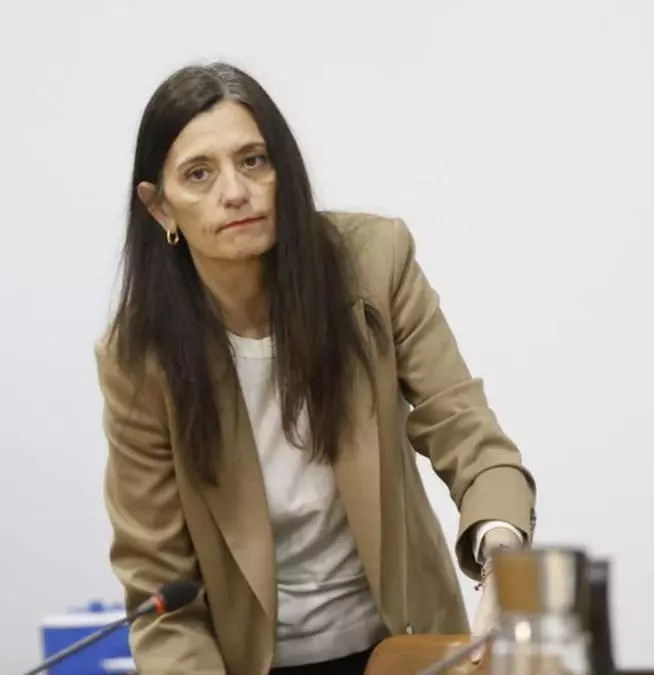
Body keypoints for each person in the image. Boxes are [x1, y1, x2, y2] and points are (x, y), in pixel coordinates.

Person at [98, 62, 536, 675]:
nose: (235, 192)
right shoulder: (138, 358)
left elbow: (467, 433)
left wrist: (501, 561)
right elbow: (159, 590)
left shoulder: (375, 264)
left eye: (254, 161)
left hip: (404, 650)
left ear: (284, 169)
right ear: (160, 207)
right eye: (199, 173)